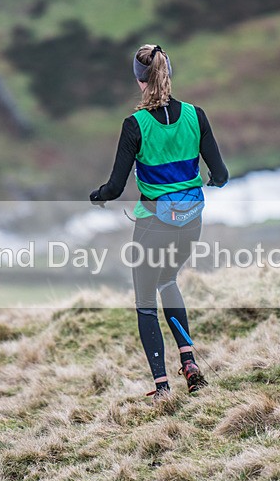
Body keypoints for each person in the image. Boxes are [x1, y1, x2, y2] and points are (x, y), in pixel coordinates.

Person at [89, 43, 229, 399]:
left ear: (139, 81)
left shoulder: (135, 125)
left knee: (145, 300)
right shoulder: (196, 116)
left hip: (153, 223)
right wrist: (208, 181)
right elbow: (222, 174)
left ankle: (162, 387)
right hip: (191, 221)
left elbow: (116, 186)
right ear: (170, 73)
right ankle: (190, 363)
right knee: (169, 282)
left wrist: (98, 196)